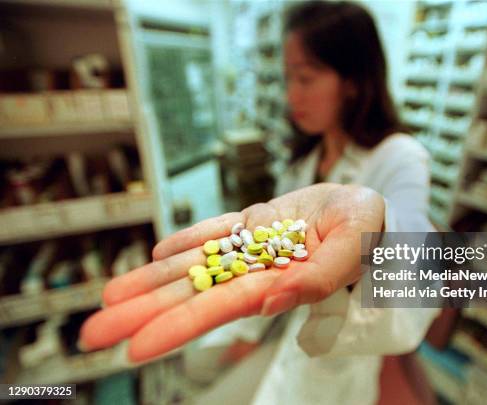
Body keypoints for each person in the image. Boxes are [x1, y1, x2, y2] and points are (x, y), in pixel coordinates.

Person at [79, 2, 440, 403]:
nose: (290, 95)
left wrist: (376, 235)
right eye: (287, 78)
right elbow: (269, 254)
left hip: (339, 351)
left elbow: (420, 268)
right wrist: (249, 335)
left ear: (353, 80)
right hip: (279, 320)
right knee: (193, 365)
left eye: (305, 78)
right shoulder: (305, 157)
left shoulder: (401, 156)